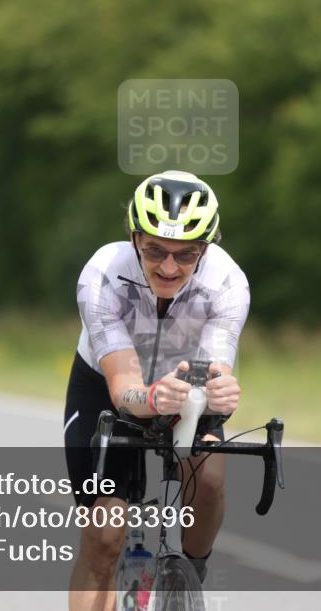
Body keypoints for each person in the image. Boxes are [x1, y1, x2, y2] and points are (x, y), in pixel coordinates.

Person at [64, 170, 250, 610]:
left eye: (187, 255)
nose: (169, 267)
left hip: (187, 387)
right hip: (104, 387)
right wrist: (150, 398)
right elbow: (123, 384)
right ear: (133, 238)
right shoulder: (103, 273)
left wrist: (220, 392)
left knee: (209, 476)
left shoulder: (227, 282)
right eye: (155, 251)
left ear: (208, 245)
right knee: (106, 536)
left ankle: (192, 573)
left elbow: (215, 368)